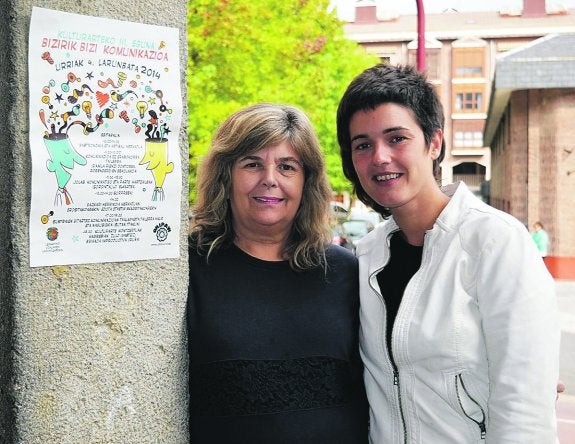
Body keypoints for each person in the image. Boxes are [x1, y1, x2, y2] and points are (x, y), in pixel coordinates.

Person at [336, 64, 560, 443]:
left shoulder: (495, 242)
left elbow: (524, 407)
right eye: (363, 145)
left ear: (434, 143)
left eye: (397, 138)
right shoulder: (367, 255)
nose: (380, 157)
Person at [187, 103, 368, 443]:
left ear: (306, 181)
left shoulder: (346, 272)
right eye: (252, 164)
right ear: (226, 176)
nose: (269, 179)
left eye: (287, 167)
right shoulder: (188, 270)